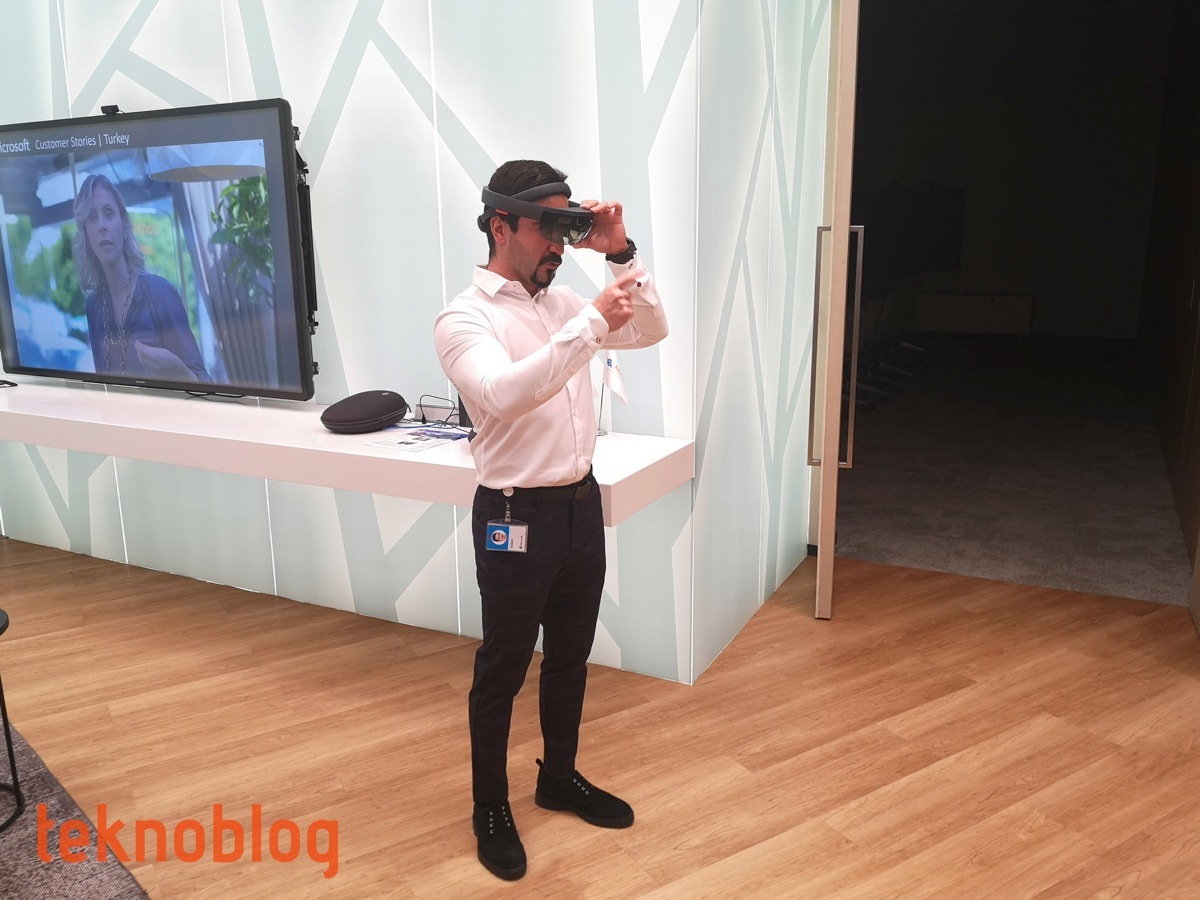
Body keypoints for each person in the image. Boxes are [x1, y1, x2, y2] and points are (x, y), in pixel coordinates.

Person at [434, 160, 668, 881]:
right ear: (501, 225)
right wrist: (590, 323)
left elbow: (651, 330)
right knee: (503, 668)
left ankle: (558, 778)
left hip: (578, 507)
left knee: (570, 655)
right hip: (514, 516)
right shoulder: (464, 318)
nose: (560, 247)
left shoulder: (565, 302)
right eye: (549, 229)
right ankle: (490, 807)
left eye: (569, 230)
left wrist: (620, 254)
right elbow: (502, 394)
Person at [74, 173, 211, 382]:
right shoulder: (94, 306)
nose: (102, 225)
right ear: (86, 234)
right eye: (92, 218)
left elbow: (205, 382)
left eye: (109, 213)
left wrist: (180, 373)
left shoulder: (160, 293)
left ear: (124, 225)